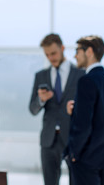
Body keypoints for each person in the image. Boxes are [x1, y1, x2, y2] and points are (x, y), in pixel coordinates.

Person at [65, 35, 104, 185]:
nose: (75, 55)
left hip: (86, 159)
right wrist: (77, 111)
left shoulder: (86, 81)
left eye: (78, 51)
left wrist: (73, 154)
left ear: (89, 51)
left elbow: (83, 125)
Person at [29, 34, 84, 185]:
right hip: (48, 140)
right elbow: (32, 109)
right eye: (47, 55)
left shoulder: (80, 74)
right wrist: (41, 100)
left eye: (53, 53)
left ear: (63, 48)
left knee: (76, 180)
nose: (50, 58)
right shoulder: (41, 76)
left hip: (72, 138)